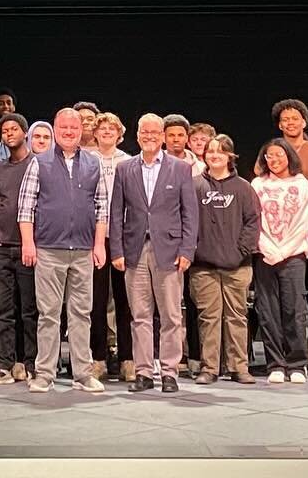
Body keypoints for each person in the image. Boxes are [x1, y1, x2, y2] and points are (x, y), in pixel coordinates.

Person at [17, 107, 109, 393]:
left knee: (82, 313)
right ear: (55, 130)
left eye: (74, 128)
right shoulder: (39, 162)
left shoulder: (93, 163)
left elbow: (101, 209)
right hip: (48, 249)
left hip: (82, 250)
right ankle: (44, 373)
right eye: (64, 128)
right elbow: (25, 207)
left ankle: (83, 372)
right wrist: (28, 243)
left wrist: (99, 244)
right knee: (49, 314)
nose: (69, 132)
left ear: (82, 130)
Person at [110, 113, 198, 394]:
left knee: (172, 315)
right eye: (143, 132)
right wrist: (116, 250)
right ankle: (144, 372)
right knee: (140, 316)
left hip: (169, 251)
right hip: (134, 250)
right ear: (137, 136)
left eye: (154, 132)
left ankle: (169, 372)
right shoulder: (125, 169)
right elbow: (115, 213)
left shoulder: (180, 168)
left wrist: (187, 249)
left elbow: (190, 214)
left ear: (162, 136)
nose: (149, 136)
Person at [189, 133, 259, 385]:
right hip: (203, 266)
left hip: (237, 266)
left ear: (230, 156)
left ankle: (239, 367)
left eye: (220, 151)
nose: (214, 155)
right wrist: (194, 250)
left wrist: (240, 251)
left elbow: (252, 223)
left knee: (237, 316)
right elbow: (186, 220)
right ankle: (209, 368)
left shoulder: (243, 187)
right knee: (208, 317)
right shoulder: (195, 185)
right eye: (210, 151)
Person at [0, 113, 38, 385]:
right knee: (2, 308)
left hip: (27, 246)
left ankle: (30, 363)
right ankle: (3, 364)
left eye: (14, 129)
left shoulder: (37, 164)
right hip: (1, 245)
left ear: (25, 133)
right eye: (5, 130)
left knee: (29, 309)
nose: (9, 133)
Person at [250, 136, 308, 383]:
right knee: (267, 311)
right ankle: (275, 363)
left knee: (294, 310)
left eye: (279, 155)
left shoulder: (302, 185)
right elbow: (254, 220)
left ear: (289, 156)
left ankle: (297, 363)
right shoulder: (257, 184)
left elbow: (303, 222)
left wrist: (284, 250)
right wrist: (268, 248)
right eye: (269, 156)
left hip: (293, 255)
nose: (274, 160)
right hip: (265, 255)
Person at [90, 112, 133, 381]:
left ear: (120, 133)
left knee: (125, 301)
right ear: (94, 133)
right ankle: (98, 358)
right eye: (102, 128)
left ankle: (128, 359)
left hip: (123, 235)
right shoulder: (87, 159)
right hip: (95, 236)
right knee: (96, 300)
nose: (107, 132)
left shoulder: (128, 162)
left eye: (112, 128)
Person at [272, 100, 308, 182]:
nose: (290, 122)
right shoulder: (271, 151)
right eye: (285, 120)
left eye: (295, 119)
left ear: (303, 123)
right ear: (280, 125)